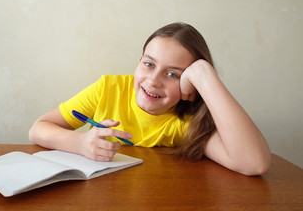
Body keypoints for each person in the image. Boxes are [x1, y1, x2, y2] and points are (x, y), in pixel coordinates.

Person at [29, 22, 271, 176]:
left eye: (172, 74)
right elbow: (38, 129)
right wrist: (80, 144)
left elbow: (254, 163)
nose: (153, 81)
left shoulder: (185, 121)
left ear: (191, 87)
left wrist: (205, 76)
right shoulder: (108, 89)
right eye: (148, 64)